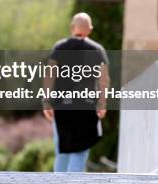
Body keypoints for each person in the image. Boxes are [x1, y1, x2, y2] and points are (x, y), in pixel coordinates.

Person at [42, 12, 109, 172]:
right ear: (90, 29)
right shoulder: (97, 49)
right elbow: (104, 79)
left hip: (62, 107)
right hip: (86, 107)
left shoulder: (59, 47)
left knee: (62, 151)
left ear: (72, 27)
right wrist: (102, 103)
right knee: (80, 150)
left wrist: (46, 102)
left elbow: (49, 76)